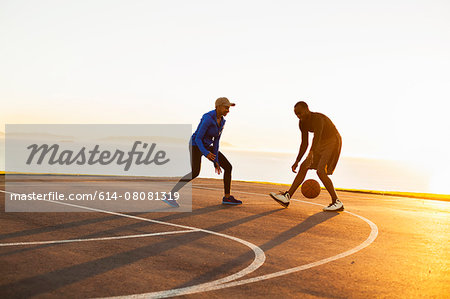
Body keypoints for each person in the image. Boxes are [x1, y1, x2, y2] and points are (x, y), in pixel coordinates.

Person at [166, 97, 242, 207]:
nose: (228, 110)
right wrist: (206, 153)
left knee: (228, 167)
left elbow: (216, 141)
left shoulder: (222, 122)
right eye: (226, 108)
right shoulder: (208, 118)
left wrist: (216, 160)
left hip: (207, 145)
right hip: (195, 145)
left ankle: (227, 197)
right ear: (218, 107)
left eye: (229, 108)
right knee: (195, 172)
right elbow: (198, 139)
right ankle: (170, 195)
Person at [270, 101, 344, 211]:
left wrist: (311, 154)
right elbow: (304, 143)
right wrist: (297, 160)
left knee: (320, 171)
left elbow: (316, 138)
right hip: (320, 143)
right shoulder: (302, 123)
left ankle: (337, 202)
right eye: (296, 114)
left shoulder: (318, 119)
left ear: (307, 109)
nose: (299, 116)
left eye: (300, 113)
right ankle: (287, 196)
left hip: (332, 140)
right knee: (303, 166)